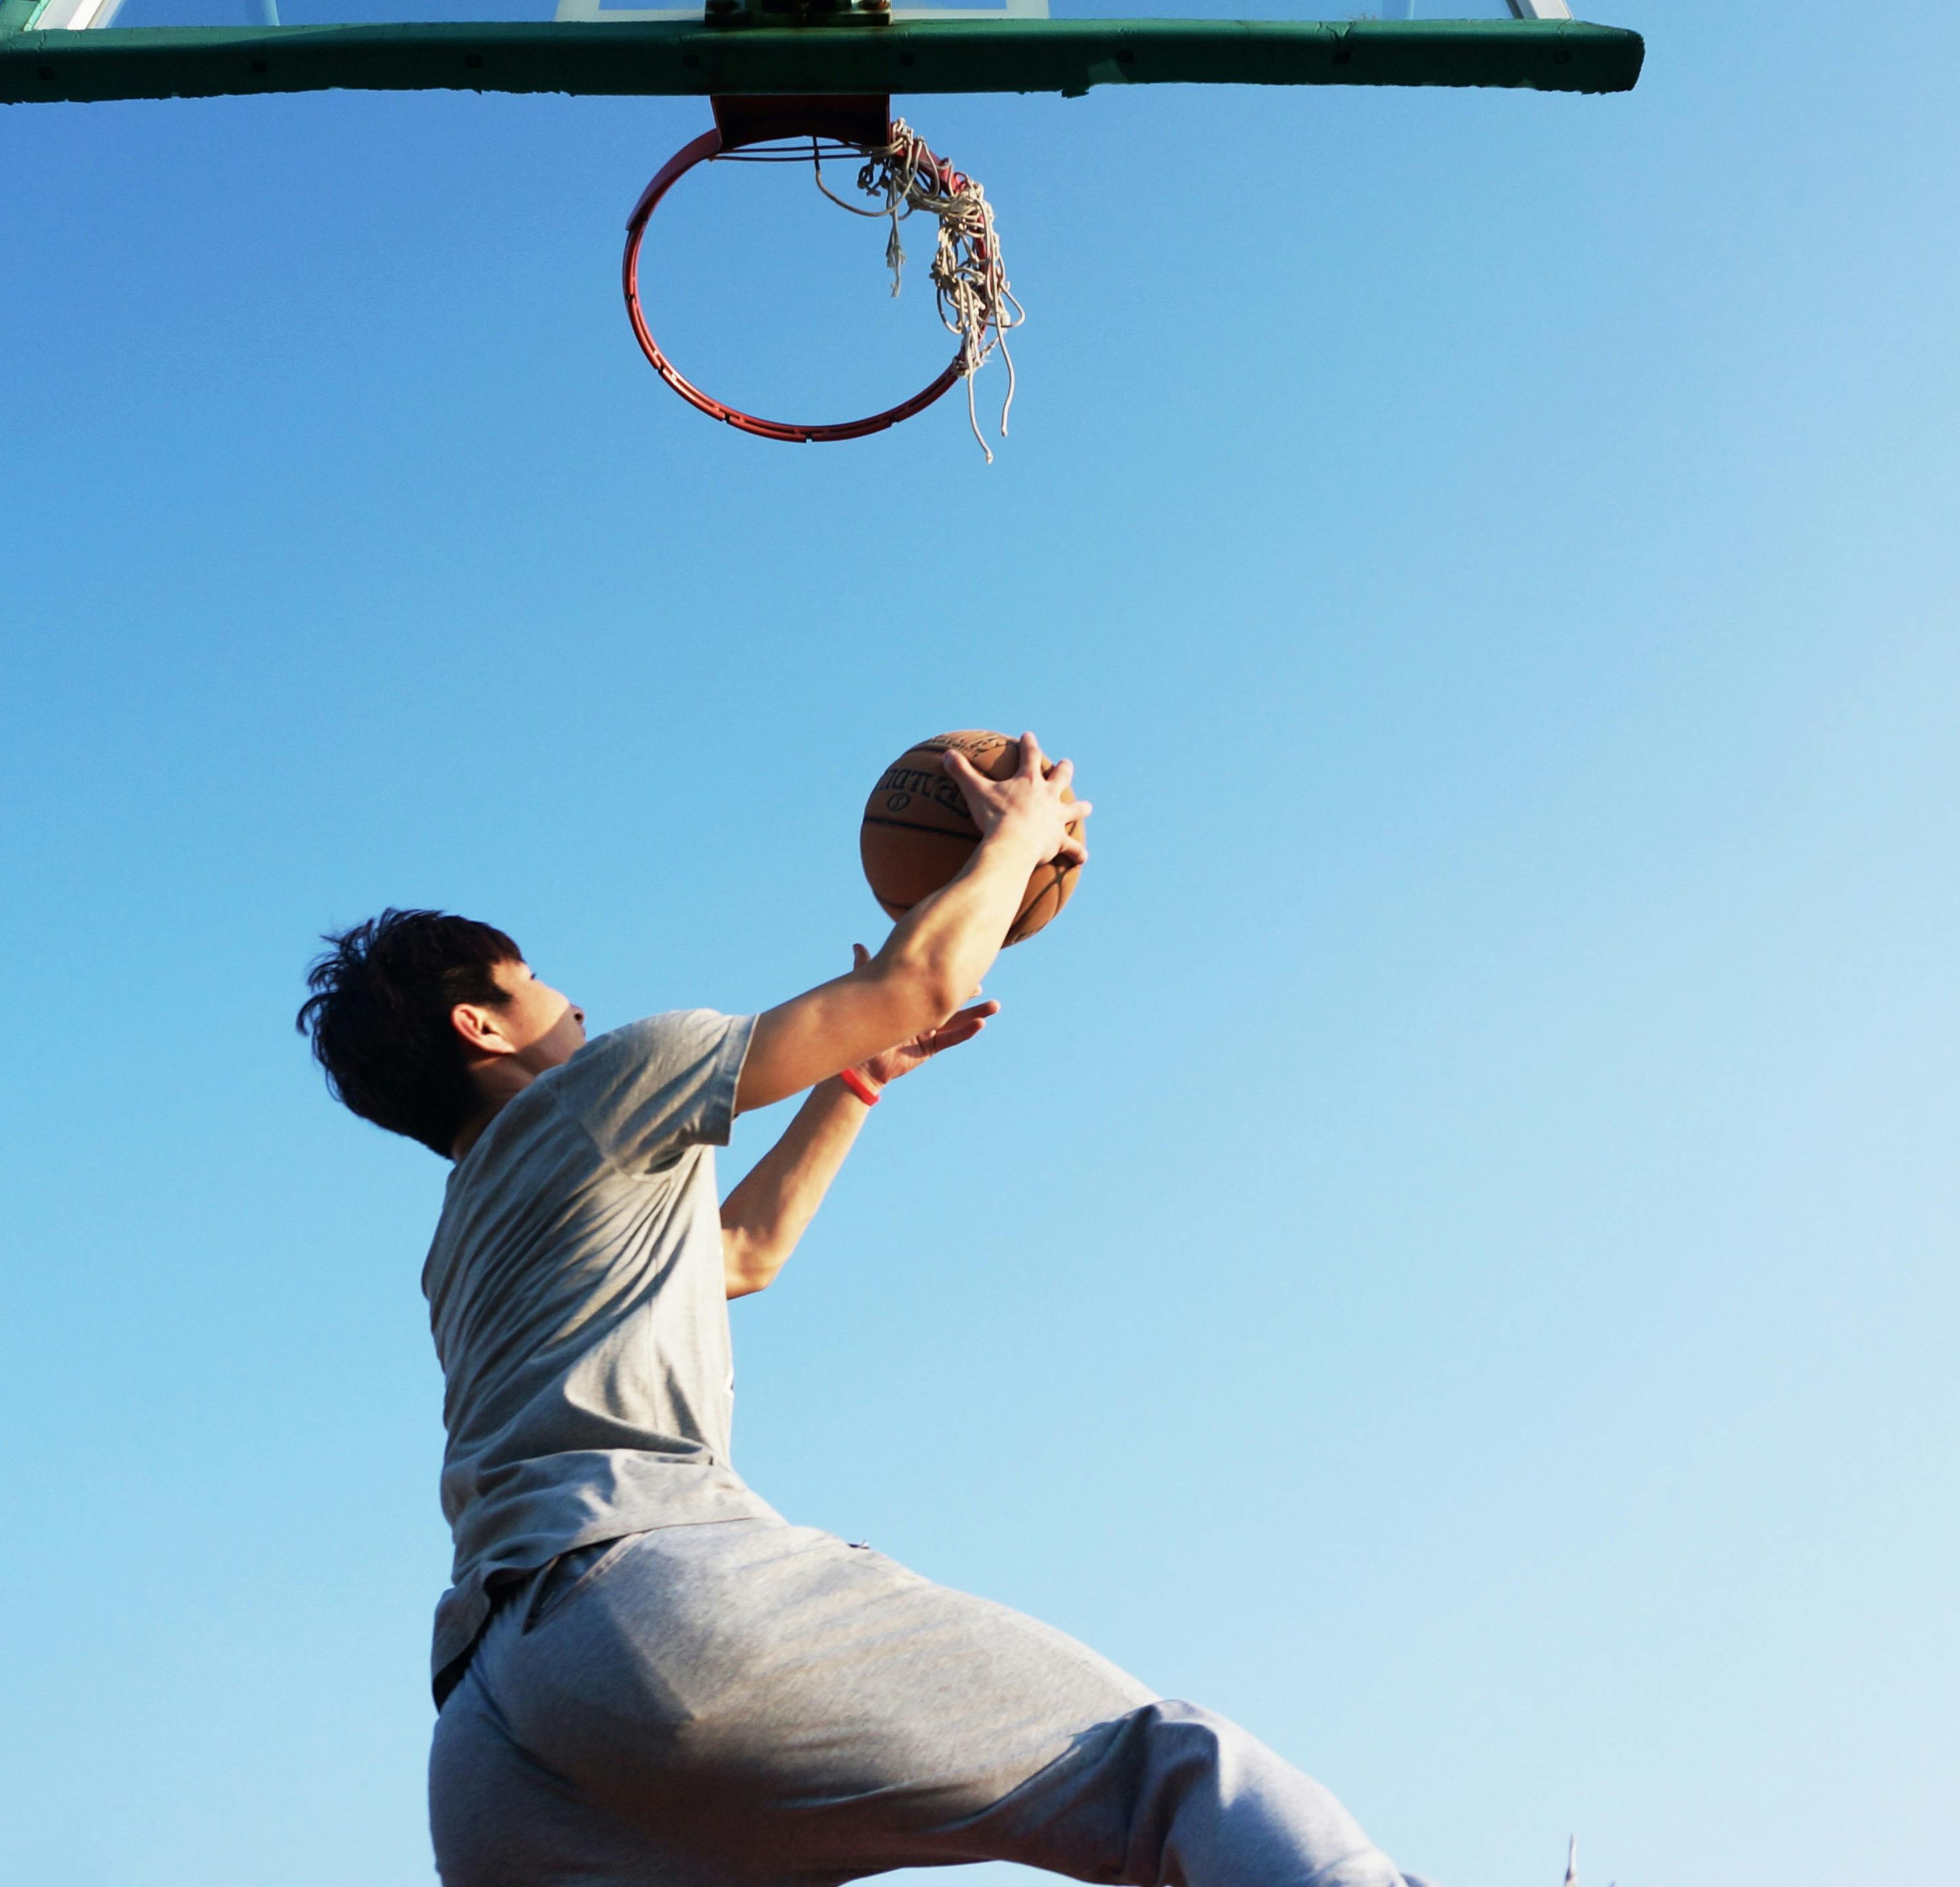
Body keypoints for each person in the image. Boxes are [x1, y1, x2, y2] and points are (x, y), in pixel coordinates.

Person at [298, 735, 1426, 1887]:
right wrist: (1019, 838)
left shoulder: (466, 1240)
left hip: (492, 1745)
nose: (572, 1001)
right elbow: (917, 982)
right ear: (479, 1028)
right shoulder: (609, 1085)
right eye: (536, 984)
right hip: (644, 1604)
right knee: (1161, 1772)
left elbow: (741, 1253)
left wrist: (859, 1080)